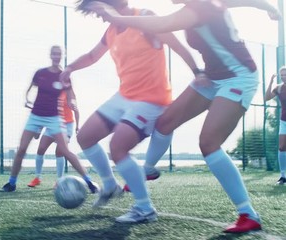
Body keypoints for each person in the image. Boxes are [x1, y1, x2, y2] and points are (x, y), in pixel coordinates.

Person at [87, 0, 280, 233]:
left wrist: (116, 18)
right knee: (165, 122)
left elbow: (161, 24)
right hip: (211, 77)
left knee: (208, 142)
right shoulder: (206, 3)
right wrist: (264, 6)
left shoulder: (198, 8)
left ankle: (248, 214)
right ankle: (148, 169)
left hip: (239, 78)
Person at [61, 0, 202, 224]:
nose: (98, 17)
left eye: (98, 11)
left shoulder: (145, 16)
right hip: (124, 96)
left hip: (152, 99)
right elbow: (91, 56)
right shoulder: (111, 31)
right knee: (85, 137)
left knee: (118, 147)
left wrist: (197, 71)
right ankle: (109, 186)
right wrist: (69, 68)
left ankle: (144, 209)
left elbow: (176, 45)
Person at [0, 45, 98, 193]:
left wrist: (72, 103)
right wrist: (26, 98)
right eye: (54, 53)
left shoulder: (64, 76)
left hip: (54, 118)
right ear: (50, 55)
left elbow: (71, 95)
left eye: (59, 54)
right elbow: (31, 87)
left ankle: (90, 183)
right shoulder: (40, 73)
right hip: (36, 116)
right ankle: (11, 183)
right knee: (21, 149)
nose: (56, 56)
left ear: (62, 56)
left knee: (65, 150)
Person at [27, 85, 80, 187]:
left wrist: (77, 126)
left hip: (67, 126)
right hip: (53, 124)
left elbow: (76, 110)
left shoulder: (69, 93)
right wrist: (39, 129)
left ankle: (59, 180)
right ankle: (37, 178)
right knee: (41, 149)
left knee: (59, 152)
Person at [265, 66, 286, 185]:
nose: (284, 77)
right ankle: (283, 176)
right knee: (282, 147)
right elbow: (266, 98)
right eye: (282, 75)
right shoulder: (278, 88)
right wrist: (271, 82)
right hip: (284, 121)